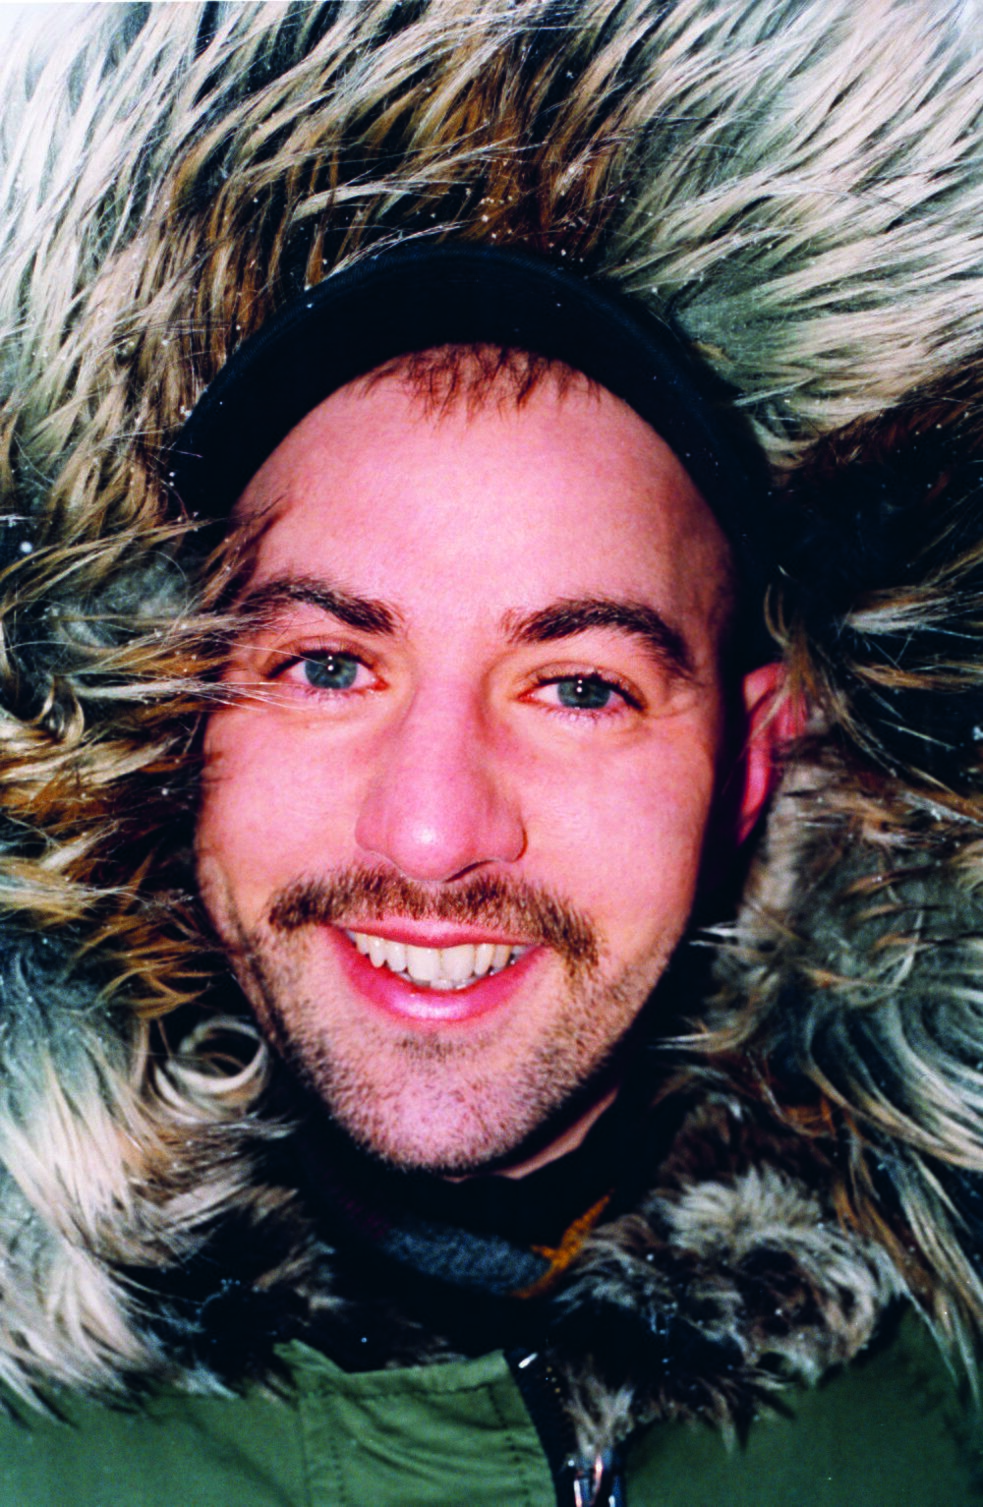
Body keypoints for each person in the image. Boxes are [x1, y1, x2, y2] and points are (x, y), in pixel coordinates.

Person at [0, 2, 982, 1503]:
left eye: (577, 687)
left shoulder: (933, 1425)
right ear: (160, 724)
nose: (433, 832)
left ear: (753, 760)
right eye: (327, 667)